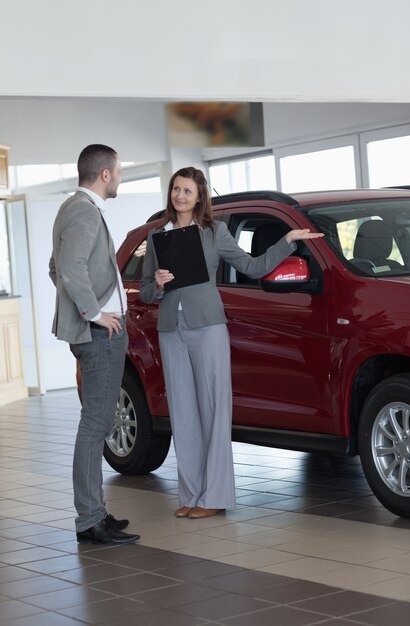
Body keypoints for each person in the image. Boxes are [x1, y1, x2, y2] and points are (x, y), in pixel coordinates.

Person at [140, 166, 324, 519]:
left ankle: (216, 496)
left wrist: (287, 243)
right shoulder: (156, 236)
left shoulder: (214, 232)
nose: (180, 195)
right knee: (183, 412)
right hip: (171, 329)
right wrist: (159, 284)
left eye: (187, 191)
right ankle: (192, 494)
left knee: (213, 409)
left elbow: (252, 267)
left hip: (207, 326)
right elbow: (147, 289)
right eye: (176, 189)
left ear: (199, 197)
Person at [49, 144, 139, 544]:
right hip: (99, 336)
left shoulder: (74, 208)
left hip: (99, 332)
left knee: (97, 423)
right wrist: (94, 313)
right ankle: (89, 520)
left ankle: (95, 512)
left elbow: (58, 268)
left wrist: (88, 306)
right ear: (105, 174)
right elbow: (68, 269)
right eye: (118, 171)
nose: (119, 177)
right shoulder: (83, 211)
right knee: (95, 426)